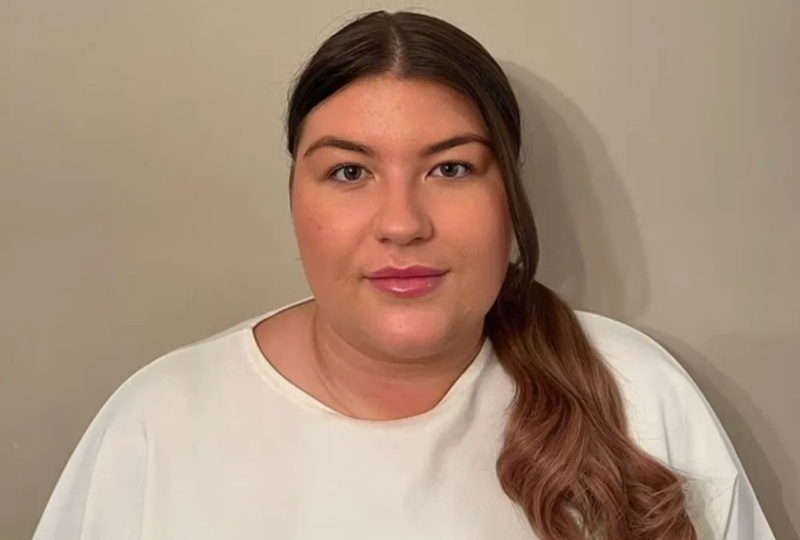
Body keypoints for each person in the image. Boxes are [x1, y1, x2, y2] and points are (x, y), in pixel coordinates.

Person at [33, 10, 774, 540]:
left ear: (509, 196)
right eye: (349, 172)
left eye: (450, 168)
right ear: (294, 198)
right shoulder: (159, 425)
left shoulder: (637, 393)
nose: (401, 222)